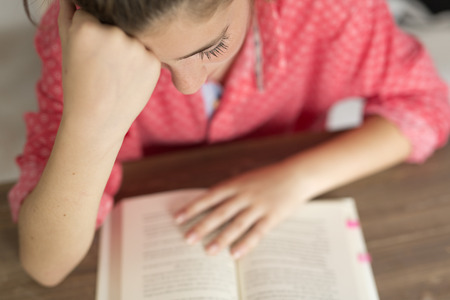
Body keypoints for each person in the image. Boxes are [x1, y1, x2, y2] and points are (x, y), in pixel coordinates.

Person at [12, 0, 450, 287]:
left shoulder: (330, 8)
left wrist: (296, 178)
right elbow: (46, 265)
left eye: (213, 46)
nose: (187, 85)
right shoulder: (76, 40)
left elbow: (429, 105)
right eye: (147, 59)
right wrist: (87, 124)